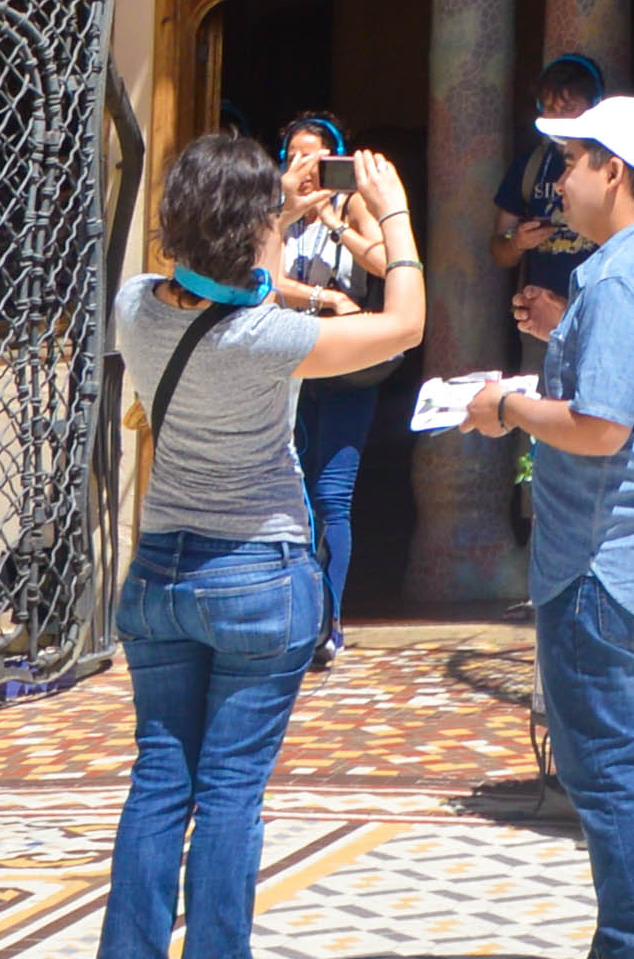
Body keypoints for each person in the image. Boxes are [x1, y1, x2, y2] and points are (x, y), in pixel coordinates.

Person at [106, 121, 422, 959]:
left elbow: (236, 277)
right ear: (249, 231)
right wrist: (393, 219)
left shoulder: (134, 306)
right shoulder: (269, 338)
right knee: (231, 792)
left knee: (158, 785)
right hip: (258, 573)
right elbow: (405, 326)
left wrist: (268, 209)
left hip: (161, 575)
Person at [464, 94, 634, 959]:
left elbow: (602, 428)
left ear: (614, 172)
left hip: (598, 564)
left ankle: (633, 945)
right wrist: (565, 332)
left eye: (571, 163)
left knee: (608, 773)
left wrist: (507, 405)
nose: (559, 182)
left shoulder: (615, 277)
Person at [265, 111, 391, 664]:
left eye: (315, 156)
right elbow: (260, 281)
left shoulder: (349, 204)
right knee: (288, 492)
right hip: (288, 362)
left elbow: (387, 262)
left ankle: (330, 619)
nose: (304, 166)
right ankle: (295, 613)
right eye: (294, 156)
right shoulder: (271, 213)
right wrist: (323, 299)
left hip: (344, 368)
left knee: (332, 494)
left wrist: (335, 223)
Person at [494, 49, 610, 319]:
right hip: (540, 320)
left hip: (596, 315)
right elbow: (499, 249)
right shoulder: (529, 165)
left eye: (568, 109)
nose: (557, 119)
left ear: (595, 106)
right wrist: (517, 242)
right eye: (549, 109)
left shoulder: (611, 164)